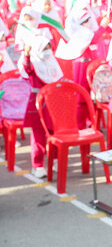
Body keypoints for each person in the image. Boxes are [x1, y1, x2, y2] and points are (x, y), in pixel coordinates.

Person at [19, 36, 64, 178]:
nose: (48, 51)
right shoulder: (34, 63)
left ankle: (55, 160)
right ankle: (37, 165)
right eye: (44, 48)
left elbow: (58, 78)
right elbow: (28, 68)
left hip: (53, 103)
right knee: (38, 136)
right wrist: (26, 55)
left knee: (55, 132)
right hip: (38, 104)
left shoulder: (52, 61)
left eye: (49, 47)